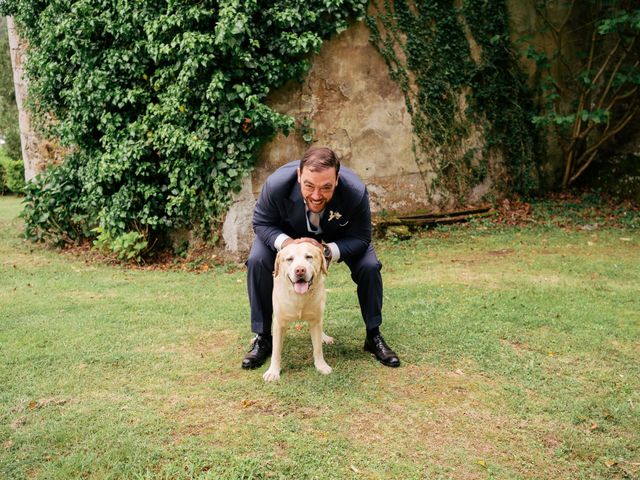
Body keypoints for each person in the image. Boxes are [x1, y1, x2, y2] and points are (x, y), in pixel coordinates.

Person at [243, 146, 400, 369]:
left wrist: (326, 251)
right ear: (299, 176)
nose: (316, 196)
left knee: (369, 265)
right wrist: (287, 244)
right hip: (286, 237)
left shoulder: (355, 191)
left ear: (337, 179)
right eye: (309, 186)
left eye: (326, 187)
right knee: (257, 260)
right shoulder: (276, 185)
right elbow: (261, 223)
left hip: (337, 237)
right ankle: (263, 337)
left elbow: (362, 237)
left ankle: (373, 336)